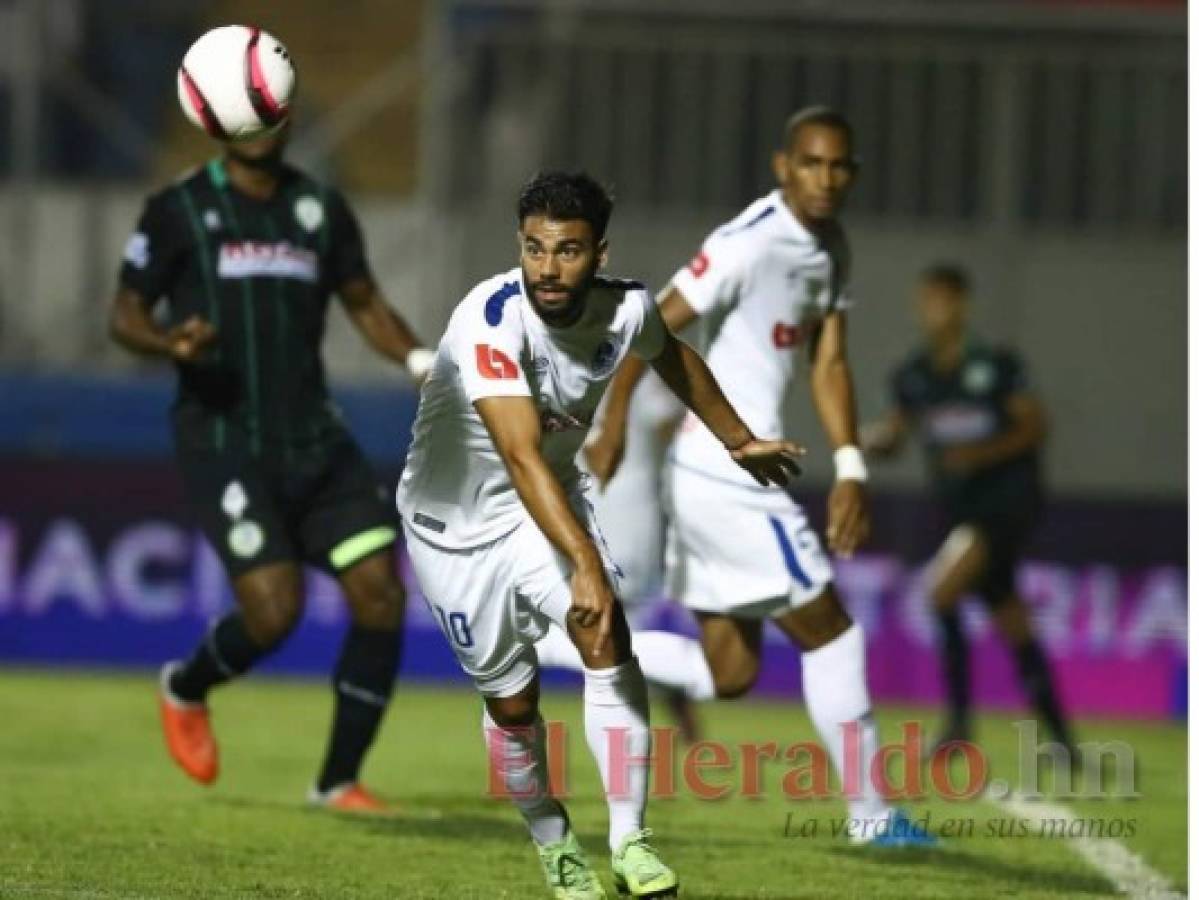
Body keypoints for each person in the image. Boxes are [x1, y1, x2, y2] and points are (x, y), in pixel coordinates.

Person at [397, 170, 802, 898]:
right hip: (451, 529)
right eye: (534, 249)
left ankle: (631, 843)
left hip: (541, 507)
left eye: (568, 251)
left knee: (605, 637)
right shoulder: (490, 320)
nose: (548, 269)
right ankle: (554, 843)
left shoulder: (627, 309)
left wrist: (738, 440)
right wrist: (585, 560)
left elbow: (673, 358)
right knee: (513, 706)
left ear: (599, 254)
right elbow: (520, 455)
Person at [587, 107, 933, 847]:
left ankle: (567, 639)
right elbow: (650, 320)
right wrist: (613, 422)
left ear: (853, 175)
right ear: (783, 167)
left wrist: (849, 466)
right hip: (729, 471)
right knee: (833, 635)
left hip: (713, 474)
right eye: (810, 163)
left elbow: (830, 363)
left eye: (839, 166)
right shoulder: (748, 243)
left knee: (732, 672)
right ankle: (872, 820)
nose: (825, 178)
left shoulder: (832, 247)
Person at [110, 119, 435, 812]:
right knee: (274, 611)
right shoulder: (179, 210)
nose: (255, 127)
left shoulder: (318, 210)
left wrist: (418, 361)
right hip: (226, 439)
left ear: (283, 115)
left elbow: (365, 301)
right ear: (215, 119)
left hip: (316, 438)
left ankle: (337, 782)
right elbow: (124, 313)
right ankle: (186, 687)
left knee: (380, 592)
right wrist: (170, 342)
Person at [862, 263, 1074, 756]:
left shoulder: (995, 365)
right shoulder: (914, 375)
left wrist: (979, 455)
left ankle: (958, 724)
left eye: (943, 300)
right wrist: (873, 442)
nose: (934, 311)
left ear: (961, 304)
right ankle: (1062, 740)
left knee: (941, 593)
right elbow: (896, 432)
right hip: (959, 511)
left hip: (1006, 503)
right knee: (1011, 616)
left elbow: (1034, 427)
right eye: (927, 300)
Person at [534, 374, 713, 743]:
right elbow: (671, 422)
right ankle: (658, 714)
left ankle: (681, 689)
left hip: (621, 510)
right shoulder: (628, 371)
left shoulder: (631, 372)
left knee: (615, 626)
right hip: (591, 507)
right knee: (611, 625)